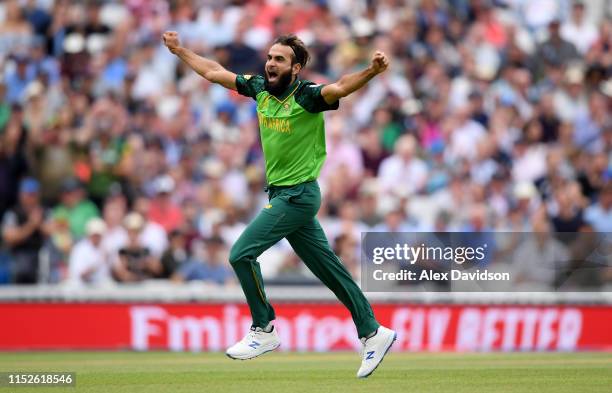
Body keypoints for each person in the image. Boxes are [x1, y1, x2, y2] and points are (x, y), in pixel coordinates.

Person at [163, 31, 396, 378]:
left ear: (296, 68)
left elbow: (341, 86)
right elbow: (213, 71)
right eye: (270, 57)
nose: (271, 63)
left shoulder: (307, 96)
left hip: (298, 194)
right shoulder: (259, 88)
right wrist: (180, 50)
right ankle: (373, 332)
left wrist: (371, 71)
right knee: (328, 269)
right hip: (282, 195)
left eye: (280, 59)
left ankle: (264, 328)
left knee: (240, 253)